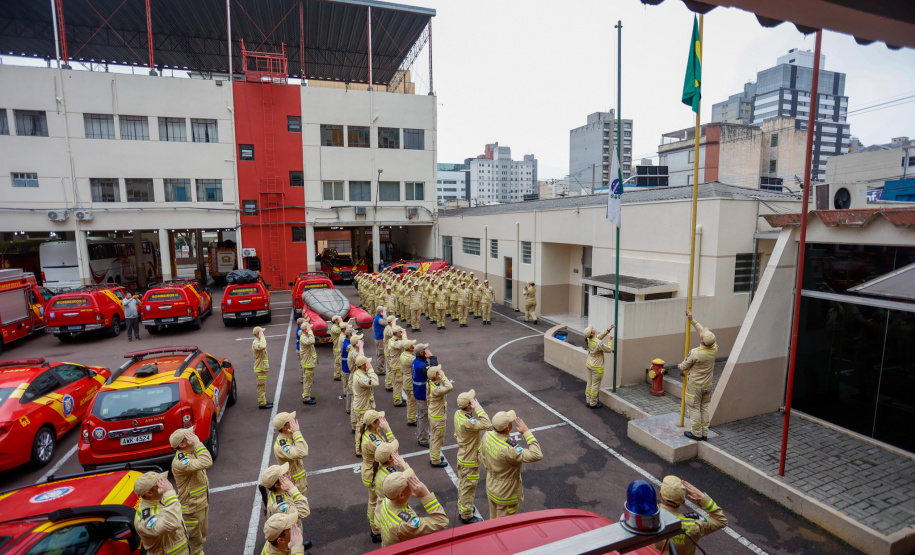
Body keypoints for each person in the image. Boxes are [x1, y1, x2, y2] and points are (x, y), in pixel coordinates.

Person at [480, 410, 543, 518]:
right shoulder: (510, 449)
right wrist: (526, 432)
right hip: (506, 495)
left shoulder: (487, 435)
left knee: (492, 522)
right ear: (508, 427)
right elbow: (537, 454)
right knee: (504, 528)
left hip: (491, 486)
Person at [653, 476, 727, 555]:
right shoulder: (693, 524)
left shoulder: (647, 518)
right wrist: (703, 499)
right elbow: (721, 520)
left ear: (660, 494)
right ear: (683, 501)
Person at [375, 469, 448, 548]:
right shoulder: (406, 525)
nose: (412, 483)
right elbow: (442, 521)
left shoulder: (386, 501)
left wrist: (403, 464)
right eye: (408, 483)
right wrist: (425, 494)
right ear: (401, 495)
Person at [169, 428, 212, 555]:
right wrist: (198, 443)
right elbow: (207, 461)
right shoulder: (181, 462)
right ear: (182, 445)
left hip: (201, 503)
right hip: (191, 509)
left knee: (202, 537)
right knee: (194, 544)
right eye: (189, 435)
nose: (193, 435)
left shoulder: (191, 451)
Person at [678, 310, 718, 441]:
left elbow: (684, 366)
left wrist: (679, 366)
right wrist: (692, 320)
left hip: (695, 386)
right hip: (707, 385)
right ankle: (704, 433)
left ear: (702, 340)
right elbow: (703, 332)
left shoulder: (695, 353)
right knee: (704, 408)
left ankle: (696, 433)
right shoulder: (714, 348)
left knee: (694, 408)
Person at [453, 390, 491, 524]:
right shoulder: (469, 421)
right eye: (472, 401)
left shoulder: (458, 413)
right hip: (470, 459)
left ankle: (463, 507)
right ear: (468, 405)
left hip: (462, 455)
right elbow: (487, 423)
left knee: (463, 484)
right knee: (469, 487)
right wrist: (478, 408)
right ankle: (466, 515)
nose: (474, 401)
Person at [133, 471, 189, 555]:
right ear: (149, 493)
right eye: (159, 482)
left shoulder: (158, 498)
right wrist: (169, 492)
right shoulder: (146, 519)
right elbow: (172, 523)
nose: (165, 482)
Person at [359, 410, 395, 542]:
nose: (381, 421)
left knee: (372, 500)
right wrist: (387, 429)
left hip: (368, 471)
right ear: (373, 423)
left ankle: (374, 528)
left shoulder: (369, 433)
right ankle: (376, 529)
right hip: (372, 474)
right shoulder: (374, 441)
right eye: (379, 420)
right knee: (376, 502)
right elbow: (391, 448)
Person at [273, 412, 309, 494]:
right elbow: (303, 452)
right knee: (300, 505)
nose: (293, 421)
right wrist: (297, 431)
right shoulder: (282, 446)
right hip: (294, 484)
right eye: (290, 421)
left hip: (298, 481)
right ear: (284, 427)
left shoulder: (289, 435)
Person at [352, 353, 379, 454]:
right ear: (362, 365)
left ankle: (363, 446)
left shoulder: (359, 373)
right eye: (367, 363)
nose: (368, 364)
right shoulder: (361, 377)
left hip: (363, 403)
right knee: (361, 427)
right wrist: (371, 370)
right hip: (362, 406)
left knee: (364, 426)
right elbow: (375, 382)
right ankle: (359, 449)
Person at [426, 365, 453, 468]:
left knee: (433, 437)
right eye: (439, 372)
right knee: (438, 439)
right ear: (436, 376)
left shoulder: (430, 383)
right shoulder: (437, 389)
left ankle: (434, 455)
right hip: (438, 417)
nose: (441, 371)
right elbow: (450, 387)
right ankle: (435, 460)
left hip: (433, 414)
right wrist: (443, 376)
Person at [583, 324, 616, 408]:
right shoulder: (598, 343)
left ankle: (588, 400)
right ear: (592, 333)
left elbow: (599, 336)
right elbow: (608, 349)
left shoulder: (589, 339)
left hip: (589, 364)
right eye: (592, 329)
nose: (594, 328)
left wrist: (608, 329)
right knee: (595, 385)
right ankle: (593, 403)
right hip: (597, 367)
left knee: (589, 383)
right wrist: (610, 340)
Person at [411, 344, 433, 447]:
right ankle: (423, 439)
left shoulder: (416, 361)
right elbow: (433, 373)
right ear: (421, 353)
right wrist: (432, 358)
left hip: (418, 392)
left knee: (421, 416)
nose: (427, 350)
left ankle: (422, 436)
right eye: (425, 350)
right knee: (423, 417)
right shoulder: (422, 365)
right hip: (422, 394)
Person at [253, 326, 272, 409]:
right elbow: (263, 346)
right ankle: (262, 403)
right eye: (261, 332)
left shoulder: (259, 341)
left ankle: (263, 400)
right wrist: (262, 337)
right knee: (261, 386)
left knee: (263, 385)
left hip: (262, 367)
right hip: (260, 368)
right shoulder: (256, 343)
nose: (263, 334)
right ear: (257, 334)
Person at [400, 340, 418, 426]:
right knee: (412, 401)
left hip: (406, 379)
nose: (414, 346)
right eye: (412, 346)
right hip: (410, 381)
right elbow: (417, 361)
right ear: (409, 348)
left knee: (411, 400)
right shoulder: (410, 358)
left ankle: (411, 417)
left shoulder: (404, 354)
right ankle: (411, 419)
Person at [388, 327, 407, 407]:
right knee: (398, 383)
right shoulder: (394, 342)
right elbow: (404, 344)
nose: (402, 333)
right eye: (401, 332)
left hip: (397, 365)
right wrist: (405, 336)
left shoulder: (394, 340)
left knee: (398, 383)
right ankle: (397, 401)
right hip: (397, 366)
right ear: (397, 333)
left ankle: (398, 398)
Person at [299, 320, 317, 405]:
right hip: (308, 363)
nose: (311, 329)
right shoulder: (304, 338)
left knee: (309, 380)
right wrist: (310, 332)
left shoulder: (305, 336)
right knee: (307, 380)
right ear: (305, 329)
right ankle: (306, 398)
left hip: (309, 362)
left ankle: (307, 395)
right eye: (309, 327)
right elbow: (312, 341)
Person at [382, 315, 397, 391]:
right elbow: (393, 333)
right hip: (388, 352)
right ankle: (389, 384)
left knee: (389, 368)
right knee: (390, 368)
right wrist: (394, 325)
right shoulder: (388, 329)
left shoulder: (389, 328)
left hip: (389, 351)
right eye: (394, 321)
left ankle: (390, 383)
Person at [373, 306, 388, 376]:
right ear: (380, 312)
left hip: (380, 338)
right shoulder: (378, 319)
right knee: (380, 355)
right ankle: (380, 370)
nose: (385, 313)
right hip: (380, 339)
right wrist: (385, 315)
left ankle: (380, 368)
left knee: (380, 354)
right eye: (384, 311)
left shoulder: (379, 317)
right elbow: (385, 322)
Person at [330, 315, 344, 381]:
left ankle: (339, 374)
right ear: (336, 321)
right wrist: (341, 322)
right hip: (337, 348)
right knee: (338, 362)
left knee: (340, 361)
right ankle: (337, 375)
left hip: (339, 347)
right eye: (339, 319)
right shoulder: (334, 328)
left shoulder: (337, 326)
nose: (341, 319)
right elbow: (340, 330)